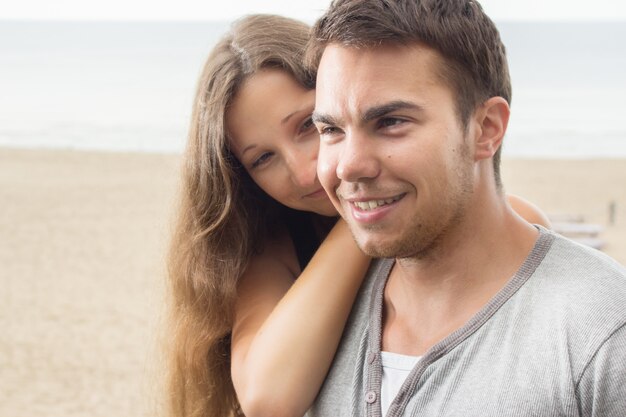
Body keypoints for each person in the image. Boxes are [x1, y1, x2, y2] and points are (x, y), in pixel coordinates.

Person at [165, 13, 552, 417]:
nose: (303, 170)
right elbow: (267, 398)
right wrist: (364, 211)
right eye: (263, 158)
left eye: (309, 127)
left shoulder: (505, 224)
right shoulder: (272, 255)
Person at [305, 1, 626, 416]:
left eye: (391, 122)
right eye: (331, 129)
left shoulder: (602, 332)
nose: (348, 165)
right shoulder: (322, 319)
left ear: (486, 129)